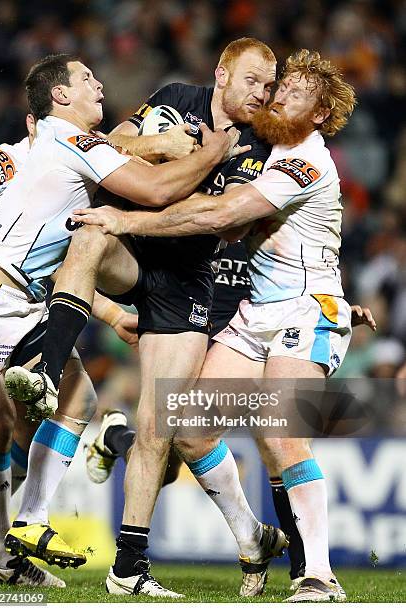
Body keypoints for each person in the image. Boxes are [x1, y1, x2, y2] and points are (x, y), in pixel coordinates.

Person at [5, 40, 292, 598]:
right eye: (254, 80)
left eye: (269, 85)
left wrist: (182, 168)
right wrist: (163, 143)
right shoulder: (176, 98)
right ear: (222, 74)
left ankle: (128, 567)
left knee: (162, 427)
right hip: (134, 256)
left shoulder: (262, 143)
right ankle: (47, 363)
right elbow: (111, 144)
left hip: (189, 282)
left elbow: (221, 220)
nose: (262, 93)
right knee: (90, 233)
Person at [72, 49, 357, 603]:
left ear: (320, 114)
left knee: (281, 433)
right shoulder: (269, 147)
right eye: (278, 88)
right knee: (190, 426)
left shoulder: (306, 160)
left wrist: (125, 219)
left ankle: (319, 574)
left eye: (294, 93)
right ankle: (253, 536)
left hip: (305, 309)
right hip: (256, 314)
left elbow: (220, 215)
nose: (277, 97)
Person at [0, 118, 139, 585]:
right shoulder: (10, 159)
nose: (98, 86)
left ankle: (9, 540)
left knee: (70, 401)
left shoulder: (80, 170)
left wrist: (109, 315)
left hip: (27, 303)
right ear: (37, 121)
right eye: (85, 80)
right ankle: (1, 552)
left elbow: (62, 266)